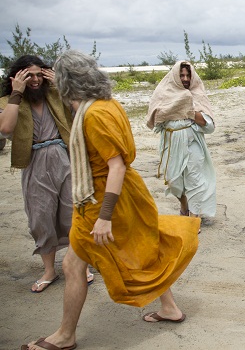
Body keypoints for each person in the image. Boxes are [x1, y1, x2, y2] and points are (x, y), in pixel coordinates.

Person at [21, 50, 199, 350]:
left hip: (104, 200)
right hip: (122, 194)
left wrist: (104, 216)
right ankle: (170, 308)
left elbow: (115, 165)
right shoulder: (106, 103)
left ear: (66, 82)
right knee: (144, 248)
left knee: (75, 265)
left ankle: (65, 336)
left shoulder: (95, 114)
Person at [0, 55, 93, 293]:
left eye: (39, 75)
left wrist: (60, 84)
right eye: (28, 75)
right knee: (40, 216)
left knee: (72, 214)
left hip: (64, 158)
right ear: (17, 76)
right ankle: (50, 270)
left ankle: (80, 265)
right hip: (35, 163)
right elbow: (5, 129)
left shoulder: (54, 95)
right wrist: (16, 92)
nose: (35, 80)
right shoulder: (9, 101)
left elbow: (80, 111)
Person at [146, 61, 216, 225]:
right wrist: (173, 109)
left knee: (194, 181)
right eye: (181, 75)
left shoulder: (197, 94)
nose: (185, 79)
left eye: (188, 75)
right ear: (175, 77)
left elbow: (209, 125)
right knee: (173, 181)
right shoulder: (164, 94)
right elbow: (156, 119)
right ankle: (184, 206)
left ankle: (193, 219)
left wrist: (189, 111)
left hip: (193, 145)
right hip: (171, 147)